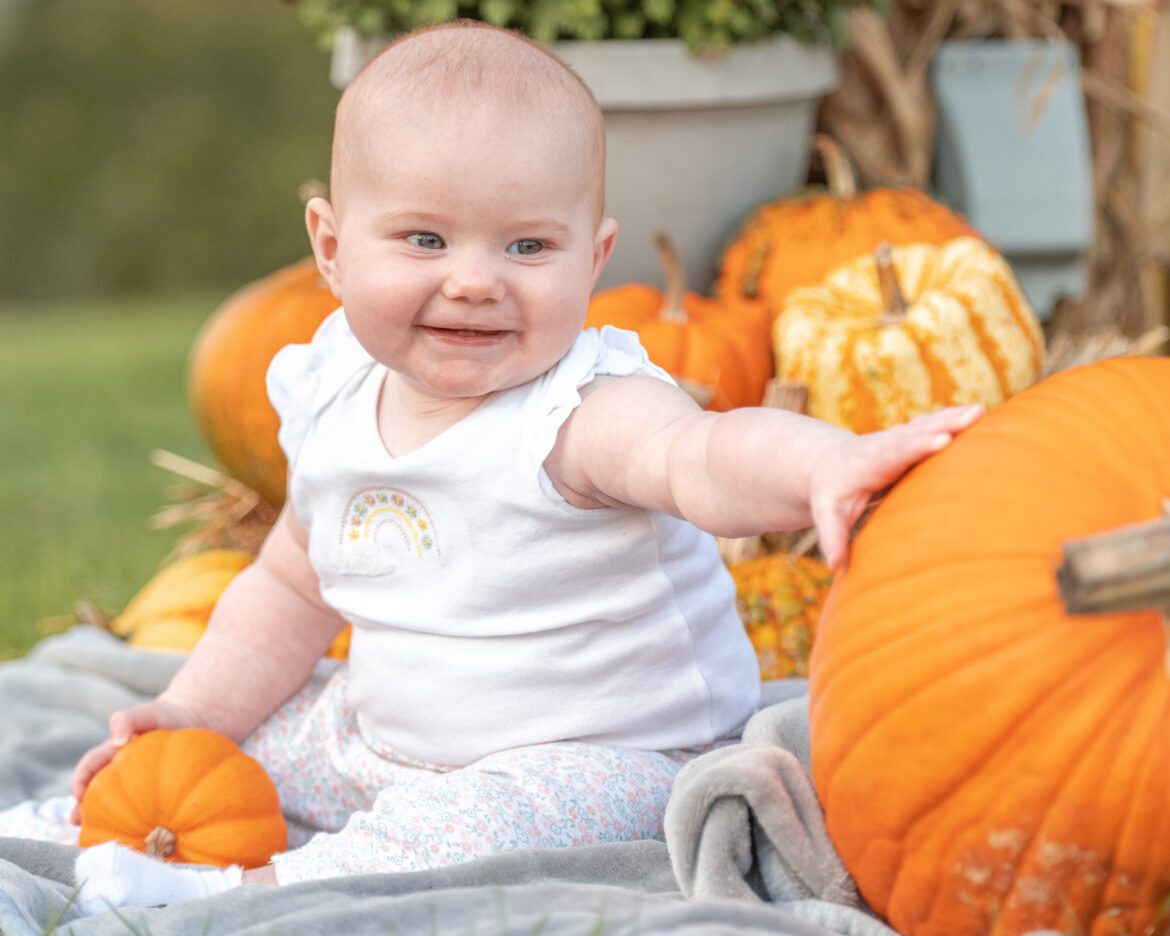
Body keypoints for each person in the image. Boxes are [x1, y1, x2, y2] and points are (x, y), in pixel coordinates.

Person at [10, 20, 982, 912]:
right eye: (425, 239)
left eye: (527, 245)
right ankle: (100, 823)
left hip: (604, 759)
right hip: (385, 741)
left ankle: (246, 888)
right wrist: (191, 715)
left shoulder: (578, 411)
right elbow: (290, 585)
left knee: (472, 825)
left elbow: (701, 456)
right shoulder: (333, 394)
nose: (474, 280)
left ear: (592, 259)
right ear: (333, 250)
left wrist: (827, 465)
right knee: (250, 737)